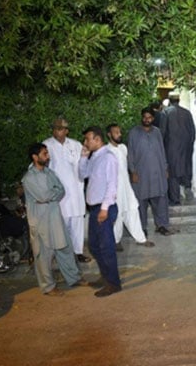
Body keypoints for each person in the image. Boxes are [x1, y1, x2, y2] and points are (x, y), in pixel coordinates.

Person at [22, 143, 89, 297]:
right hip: (40, 222)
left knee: (65, 248)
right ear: (35, 156)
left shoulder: (49, 172)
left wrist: (50, 195)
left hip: (55, 217)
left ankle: (74, 278)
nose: (48, 156)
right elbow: (43, 196)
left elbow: (61, 190)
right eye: (45, 153)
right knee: (44, 255)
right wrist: (51, 195)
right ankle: (48, 287)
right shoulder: (29, 178)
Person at [79, 126, 122, 297]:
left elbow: (112, 185)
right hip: (95, 208)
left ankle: (113, 283)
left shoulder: (108, 157)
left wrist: (104, 209)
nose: (85, 142)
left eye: (87, 139)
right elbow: (82, 175)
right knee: (94, 246)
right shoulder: (94, 156)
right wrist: (83, 157)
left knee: (106, 247)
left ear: (97, 139)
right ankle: (106, 276)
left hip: (105, 208)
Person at [43, 118, 91, 263]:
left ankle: (78, 252)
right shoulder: (46, 145)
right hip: (59, 193)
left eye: (61, 128)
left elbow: (83, 164)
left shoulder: (76, 145)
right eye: (55, 128)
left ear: (66, 130)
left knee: (77, 223)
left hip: (75, 191)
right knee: (60, 224)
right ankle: (62, 254)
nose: (58, 131)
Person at [105, 124, 156, 250]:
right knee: (117, 215)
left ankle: (141, 239)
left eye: (120, 132)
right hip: (114, 189)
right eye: (116, 132)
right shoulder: (106, 151)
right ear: (109, 135)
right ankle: (116, 241)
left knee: (132, 210)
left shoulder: (123, 148)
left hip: (126, 186)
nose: (119, 134)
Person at [127, 107, 172, 236]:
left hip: (157, 171)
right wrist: (133, 171)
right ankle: (142, 228)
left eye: (150, 117)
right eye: (145, 117)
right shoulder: (134, 133)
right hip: (141, 173)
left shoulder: (157, 132)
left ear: (153, 118)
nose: (147, 120)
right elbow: (130, 153)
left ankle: (162, 225)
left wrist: (165, 167)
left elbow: (162, 151)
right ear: (142, 117)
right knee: (141, 201)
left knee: (160, 200)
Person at [163, 95, 196, 205]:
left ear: (169, 101)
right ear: (179, 100)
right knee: (186, 168)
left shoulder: (166, 112)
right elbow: (192, 131)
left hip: (171, 148)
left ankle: (175, 199)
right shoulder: (187, 113)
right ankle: (187, 187)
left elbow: (162, 132)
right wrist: (189, 146)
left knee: (172, 173)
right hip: (186, 147)